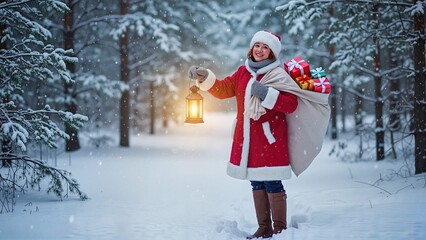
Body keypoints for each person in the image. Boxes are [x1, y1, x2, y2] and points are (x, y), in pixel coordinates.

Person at [188, 30, 298, 239]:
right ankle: (264, 227)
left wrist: (266, 93)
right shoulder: (243, 72)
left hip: (270, 140)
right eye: (257, 45)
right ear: (252, 47)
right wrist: (205, 77)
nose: (260, 50)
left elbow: (291, 104)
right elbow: (222, 89)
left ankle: (280, 229)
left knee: (273, 182)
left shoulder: (279, 74)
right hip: (248, 140)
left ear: (272, 52)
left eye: (265, 47)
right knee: (256, 182)